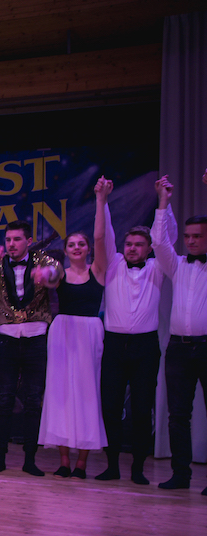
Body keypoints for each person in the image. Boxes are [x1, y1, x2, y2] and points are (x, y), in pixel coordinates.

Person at [95, 179, 167, 484]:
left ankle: (138, 468)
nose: (133, 248)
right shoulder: (113, 264)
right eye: (129, 244)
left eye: (139, 245)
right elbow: (102, 236)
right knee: (110, 408)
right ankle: (112, 465)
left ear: (148, 249)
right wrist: (101, 201)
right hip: (114, 345)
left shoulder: (157, 268)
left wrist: (162, 203)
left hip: (145, 347)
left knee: (141, 408)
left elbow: (163, 241)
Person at [0, 220, 63, 475]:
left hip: (36, 338)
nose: (11, 244)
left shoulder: (41, 260)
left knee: (33, 400)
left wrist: (46, 276)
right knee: (4, 399)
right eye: (8, 240)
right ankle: (0, 458)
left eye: (17, 239)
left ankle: (30, 460)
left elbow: (57, 272)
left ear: (28, 241)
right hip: (6, 338)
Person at [39, 178, 109, 477]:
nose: (77, 248)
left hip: (89, 332)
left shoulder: (99, 270)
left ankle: (82, 463)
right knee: (60, 393)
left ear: (88, 249)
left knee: (87, 393)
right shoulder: (60, 274)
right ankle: (64, 461)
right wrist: (40, 275)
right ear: (65, 251)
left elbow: (101, 236)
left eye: (82, 244)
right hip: (62, 332)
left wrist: (100, 201)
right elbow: (44, 279)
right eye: (72, 245)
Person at [151, 174, 207, 494]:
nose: (191, 241)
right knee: (178, 415)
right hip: (179, 349)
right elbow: (159, 243)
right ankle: (180, 474)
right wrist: (163, 201)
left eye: (197, 236)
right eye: (187, 236)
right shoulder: (178, 265)